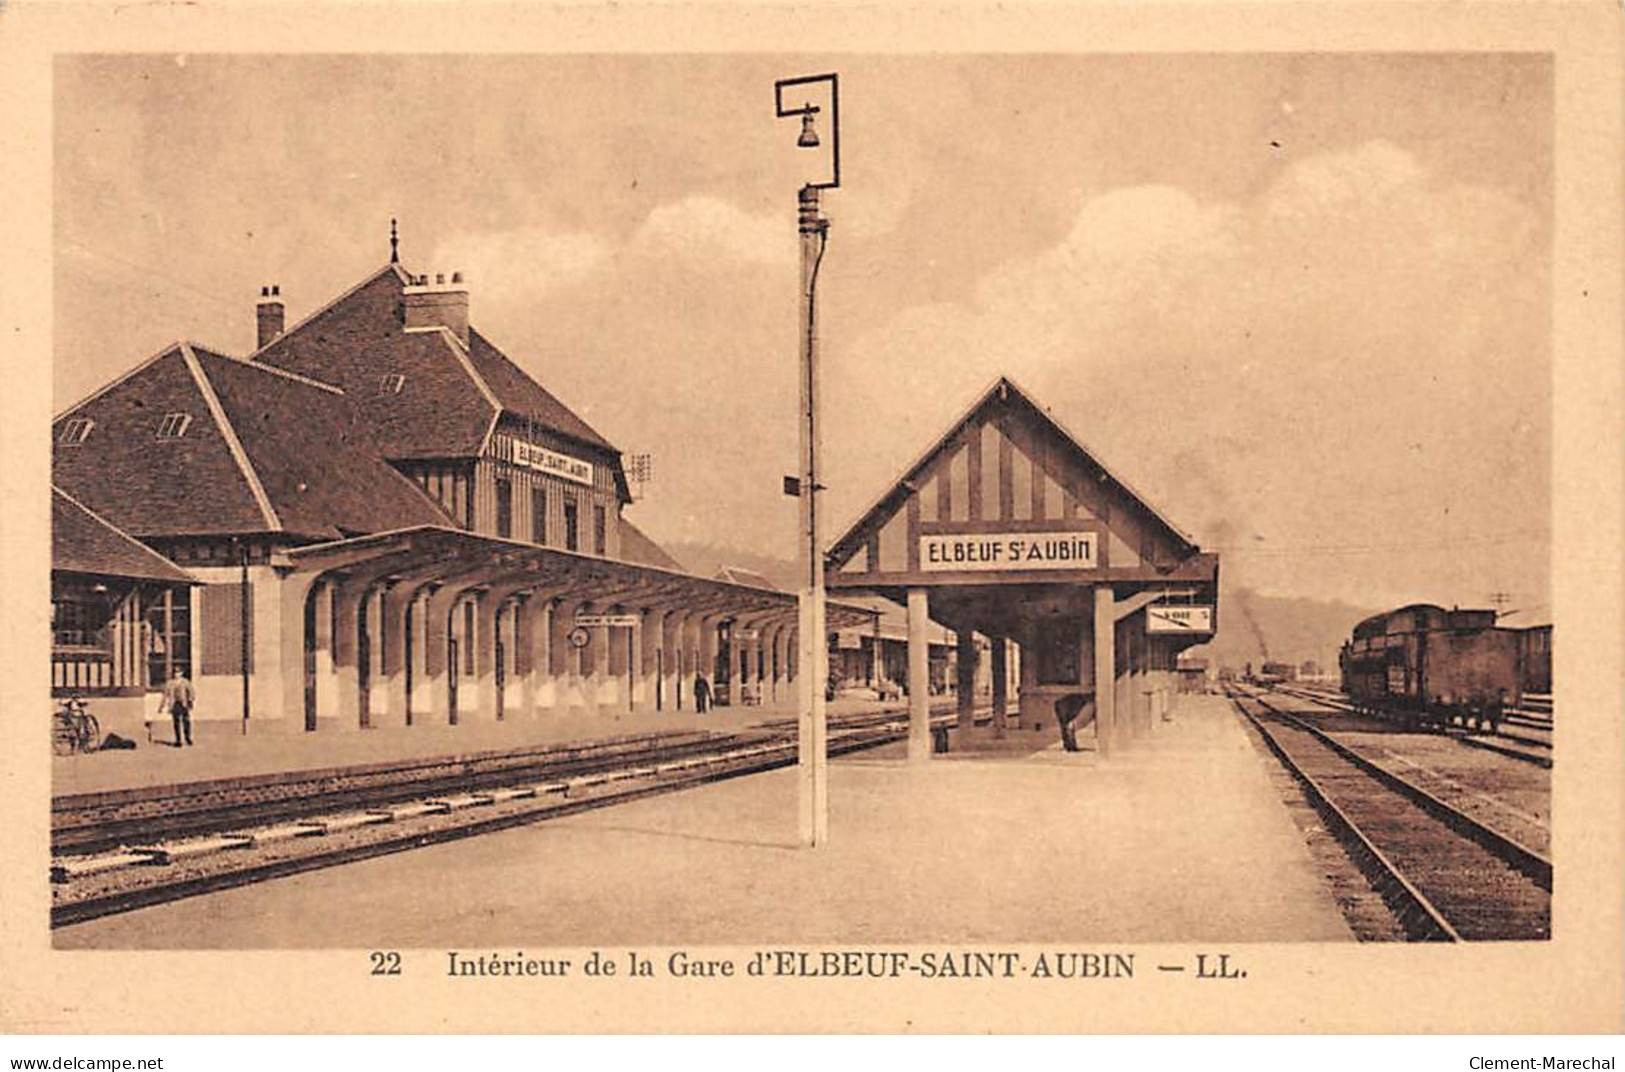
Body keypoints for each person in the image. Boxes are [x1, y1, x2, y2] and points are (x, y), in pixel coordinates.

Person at [160, 666, 195, 747]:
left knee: (186, 721)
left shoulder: (185, 682)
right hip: (174, 704)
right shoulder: (170, 683)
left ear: (181, 673)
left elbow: (191, 691)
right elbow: (165, 695)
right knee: (176, 722)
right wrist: (161, 706)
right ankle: (178, 740)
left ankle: (187, 738)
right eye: (175, 673)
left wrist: (190, 700)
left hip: (183, 703)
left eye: (178, 673)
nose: (177, 674)